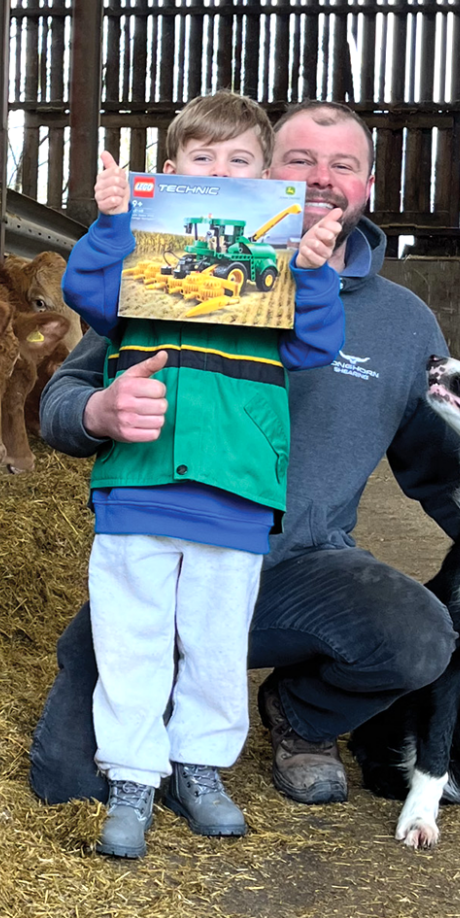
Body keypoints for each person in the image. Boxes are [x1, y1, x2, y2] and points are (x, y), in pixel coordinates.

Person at [31, 99, 460, 819]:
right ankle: (143, 754)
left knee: (419, 635)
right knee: (68, 780)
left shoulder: (403, 323)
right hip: (162, 530)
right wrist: (96, 412)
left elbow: (442, 471)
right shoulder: (158, 268)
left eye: (343, 166)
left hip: (300, 564)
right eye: (301, 161)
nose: (322, 179)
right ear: (269, 176)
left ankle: (300, 713)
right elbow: (64, 396)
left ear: (368, 185)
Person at [55, 91, 346, 859]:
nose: (221, 170)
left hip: (237, 489)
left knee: (216, 644)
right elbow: (84, 293)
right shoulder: (140, 272)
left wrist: (311, 271)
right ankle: (132, 775)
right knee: (132, 638)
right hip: (138, 485)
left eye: (240, 160)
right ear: (173, 171)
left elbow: (314, 347)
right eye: (202, 158)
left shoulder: (275, 265)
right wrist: (114, 221)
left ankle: (201, 767)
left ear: (264, 175)